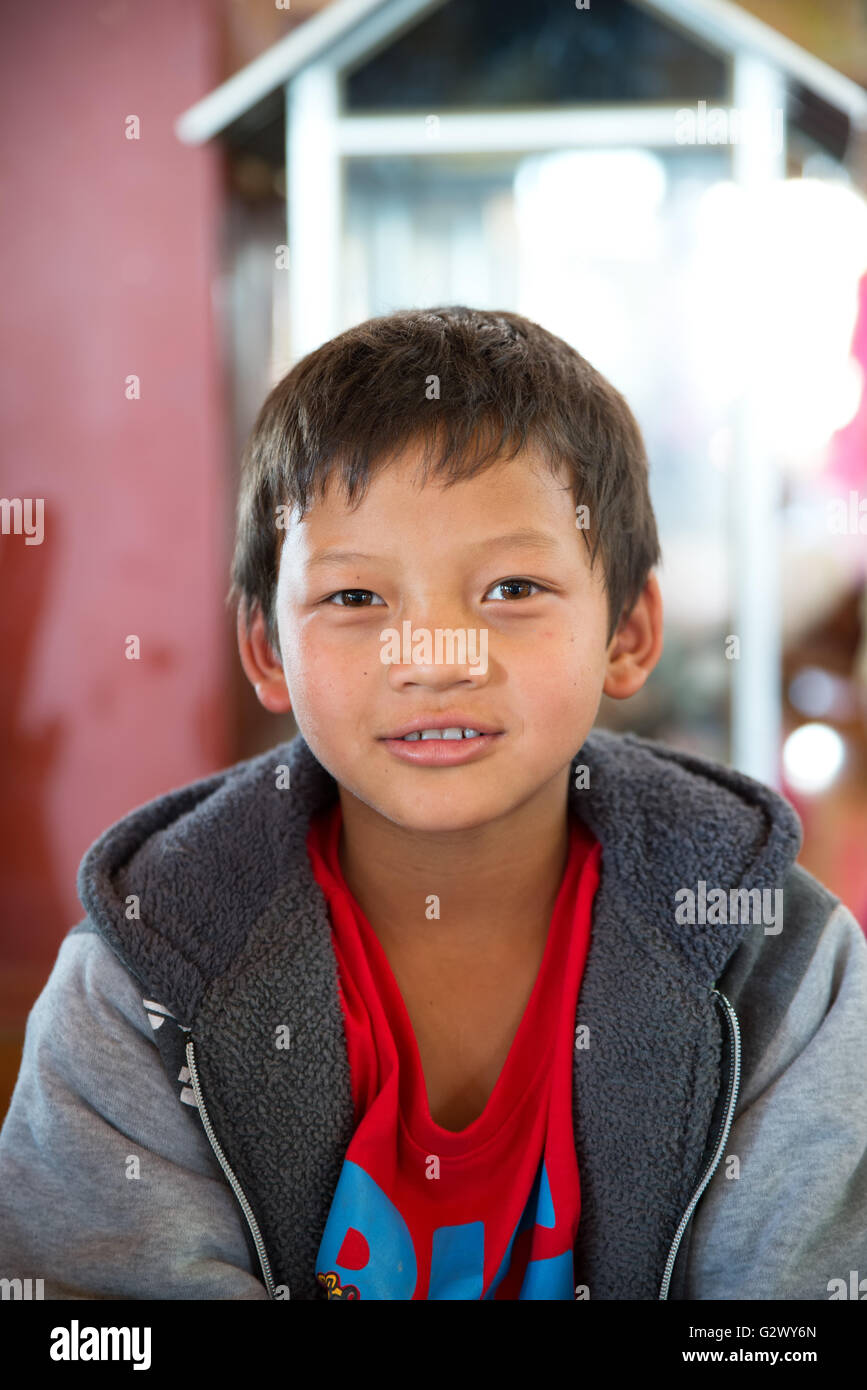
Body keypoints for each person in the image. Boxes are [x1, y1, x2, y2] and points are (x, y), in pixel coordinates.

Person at [1, 306, 865, 1301]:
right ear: (267, 651)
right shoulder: (145, 971)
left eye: (510, 588)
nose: (434, 658)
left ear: (627, 630)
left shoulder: (781, 962)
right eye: (357, 600)